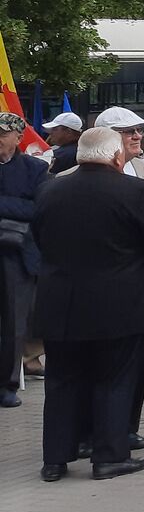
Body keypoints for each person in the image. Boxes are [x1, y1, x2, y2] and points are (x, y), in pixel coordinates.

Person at [32, 127, 144, 481]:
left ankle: (55, 459)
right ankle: (110, 455)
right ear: (115, 157)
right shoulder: (136, 191)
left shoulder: (50, 189)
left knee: (61, 379)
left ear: (80, 156)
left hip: (59, 302)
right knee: (115, 378)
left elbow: (39, 239)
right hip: (119, 303)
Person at [0, 113, 49, 409]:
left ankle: (7, 384)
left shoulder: (35, 169)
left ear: (19, 138)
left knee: (13, 323)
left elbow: (38, 209)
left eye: (3, 133)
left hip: (16, 256)